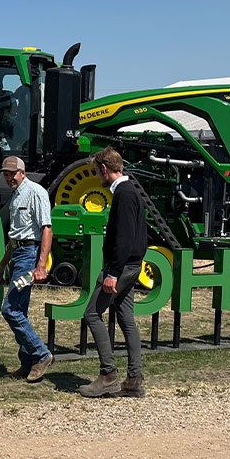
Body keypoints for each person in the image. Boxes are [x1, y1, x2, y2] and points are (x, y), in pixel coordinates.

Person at [78, 148, 148, 398]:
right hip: (131, 265)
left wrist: (113, 273)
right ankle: (134, 380)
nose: (97, 176)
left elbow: (125, 237)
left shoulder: (124, 194)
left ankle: (108, 375)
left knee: (92, 313)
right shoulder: (131, 192)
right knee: (126, 318)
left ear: (104, 169)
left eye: (96, 171)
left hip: (121, 267)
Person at [0, 155, 53, 382]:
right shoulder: (17, 194)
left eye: (12, 173)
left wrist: (41, 265)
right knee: (20, 310)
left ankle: (41, 355)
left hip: (29, 255)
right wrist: (2, 267)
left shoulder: (36, 192)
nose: (9, 178)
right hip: (20, 253)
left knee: (10, 309)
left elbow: (46, 229)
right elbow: (14, 238)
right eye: (6, 174)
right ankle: (27, 362)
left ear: (22, 172)